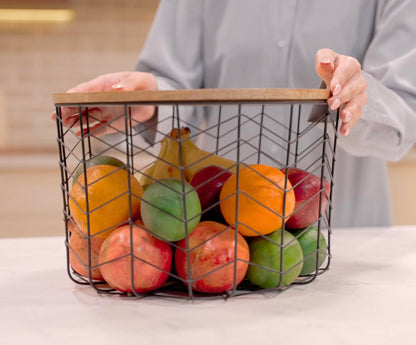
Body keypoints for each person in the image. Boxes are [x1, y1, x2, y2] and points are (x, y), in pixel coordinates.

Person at [55, 0, 416, 228]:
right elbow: (176, 87)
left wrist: (357, 96)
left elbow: (404, 113)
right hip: (220, 240)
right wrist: (147, 102)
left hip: (347, 236)